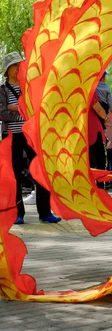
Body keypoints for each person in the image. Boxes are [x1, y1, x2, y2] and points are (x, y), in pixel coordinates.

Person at [0, 51, 61, 225]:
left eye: (20, 65)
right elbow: (2, 113)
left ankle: (45, 211)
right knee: (14, 175)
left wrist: (15, 108)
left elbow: (37, 108)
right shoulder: (2, 89)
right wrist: (21, 110)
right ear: (8, 69)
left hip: (32, 135)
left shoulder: (29, 87)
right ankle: (18, 213)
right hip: (11, 136)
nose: (19, 68)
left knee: (40, 171)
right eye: (15, 66)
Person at [88, 91, 108, 189]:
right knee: (100, 160)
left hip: (78, 130)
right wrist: (105, 117)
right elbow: (99, 109)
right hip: (92, 129)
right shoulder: (88, 91)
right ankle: (100, 186)